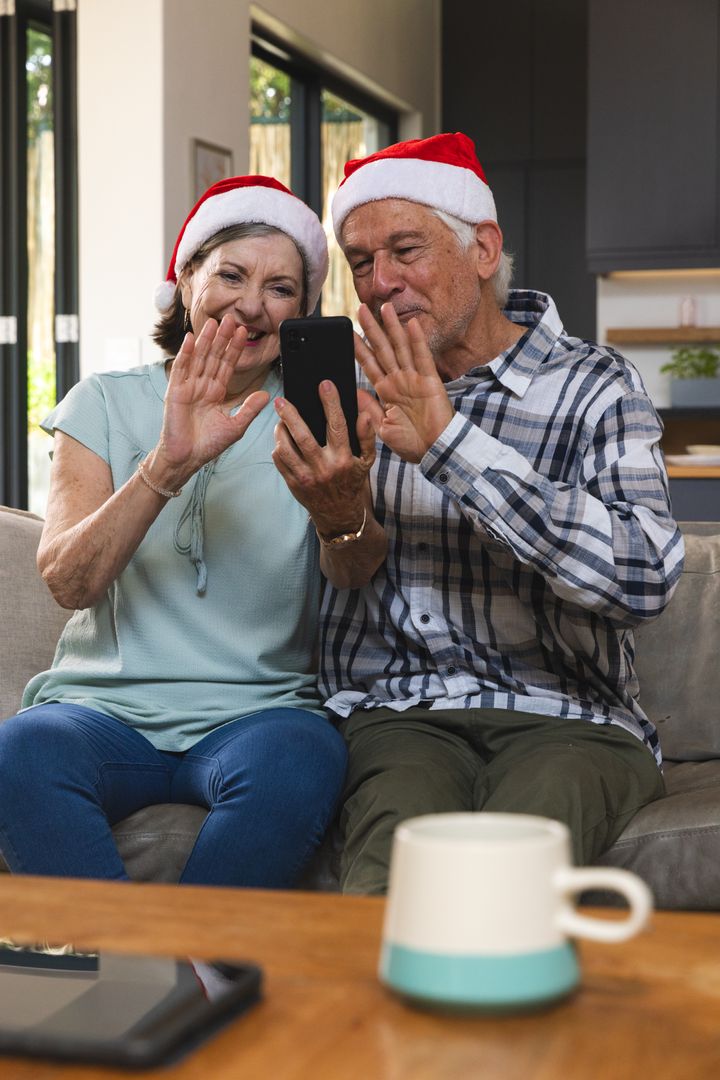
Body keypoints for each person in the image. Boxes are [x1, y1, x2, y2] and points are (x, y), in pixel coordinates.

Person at [272, 132, 685, 894]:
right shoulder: (356, 393)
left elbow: (645, 576)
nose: (380, 282)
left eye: (405, 250)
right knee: (390, 878)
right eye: (360, 263)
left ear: (484, 249)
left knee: (507, 880)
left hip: (572, 720)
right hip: (400, 714)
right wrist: (341, 514)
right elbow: (349, 569)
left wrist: (450, 445)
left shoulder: (595, 384)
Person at [0, 175, 348, 888]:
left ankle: (198, 977)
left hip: (263, 714)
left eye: (281, 288)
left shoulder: (324, 413)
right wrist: (167, 465)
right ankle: (127, 980)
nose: (253, 304)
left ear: (302, 311)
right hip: (102, 711)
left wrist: (343, 499)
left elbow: (358, 571)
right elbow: (68, 580)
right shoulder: (105, 401)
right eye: (231, 274)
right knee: (19, 752)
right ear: (185, 280)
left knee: (303, 758)